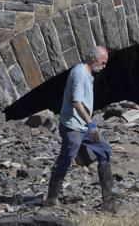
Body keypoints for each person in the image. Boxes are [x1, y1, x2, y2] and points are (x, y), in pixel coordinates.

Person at [44, 45, 117, 213]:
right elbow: (76, 102)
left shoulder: (87, 74)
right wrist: (90, 123)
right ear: (93, 58)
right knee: (65, 159)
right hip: (73, 126)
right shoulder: (79, 74)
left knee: (104, 149)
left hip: (82, 125)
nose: (104, 66)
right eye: (103, 62)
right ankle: (51, 198)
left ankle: (109, 200)